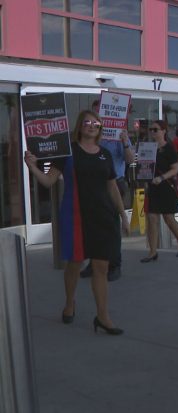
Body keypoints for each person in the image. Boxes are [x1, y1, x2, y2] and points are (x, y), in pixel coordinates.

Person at [24, 110, 129, 335]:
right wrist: (32, 166)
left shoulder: (105, 154)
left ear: (100, 128)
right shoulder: (67, 153)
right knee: (75, 263)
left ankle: (103, 316)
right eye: (87, 122)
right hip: (76, 216)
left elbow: (112, 187)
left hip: (104, 217)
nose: (91, 126)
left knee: (101, 267)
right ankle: (70, 302)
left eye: (96, 123)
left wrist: (123, 215)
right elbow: (48, 181)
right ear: (80, 126)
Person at [80, 100, 134, 282]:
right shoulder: (91, 138)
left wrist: (125, 142)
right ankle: (93, 261)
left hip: (114, 183)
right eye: (95, 116)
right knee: (91, 224)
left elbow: (130, 159)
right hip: (92, 186)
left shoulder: (119, 135)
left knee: (111, 227)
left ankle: (115, 264)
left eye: (99, 115)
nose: (97, 119)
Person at [141, 120, 178, 262]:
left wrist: (161, 178)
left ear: (163, 131)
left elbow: (175, 169)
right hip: (153, 187)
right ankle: (152, 251)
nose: (153, 132)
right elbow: (144, 166)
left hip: (166, 186)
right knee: (152, 219)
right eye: (151, 130)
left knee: (169, 218)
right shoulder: (148, 147)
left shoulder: (169, 148)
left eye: (156, 129)